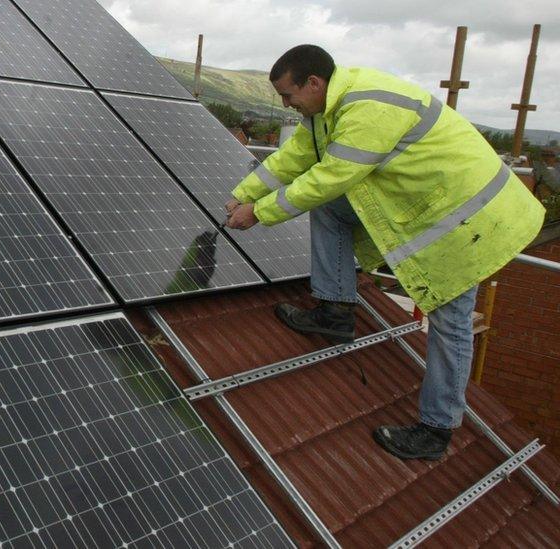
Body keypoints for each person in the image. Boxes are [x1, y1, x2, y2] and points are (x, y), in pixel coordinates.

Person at [225, 45, 545, 460]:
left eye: (289, 96)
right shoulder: (327, 109)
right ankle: (336, 311)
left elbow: (331, 177)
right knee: (329, 210)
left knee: (451, 323)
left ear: (314, 83)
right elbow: (294, 158)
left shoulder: (367, 109)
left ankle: (436, 428)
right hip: (431, 204)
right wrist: (242, 195)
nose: (287, 105)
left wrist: (260, 213)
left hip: (470, 220)